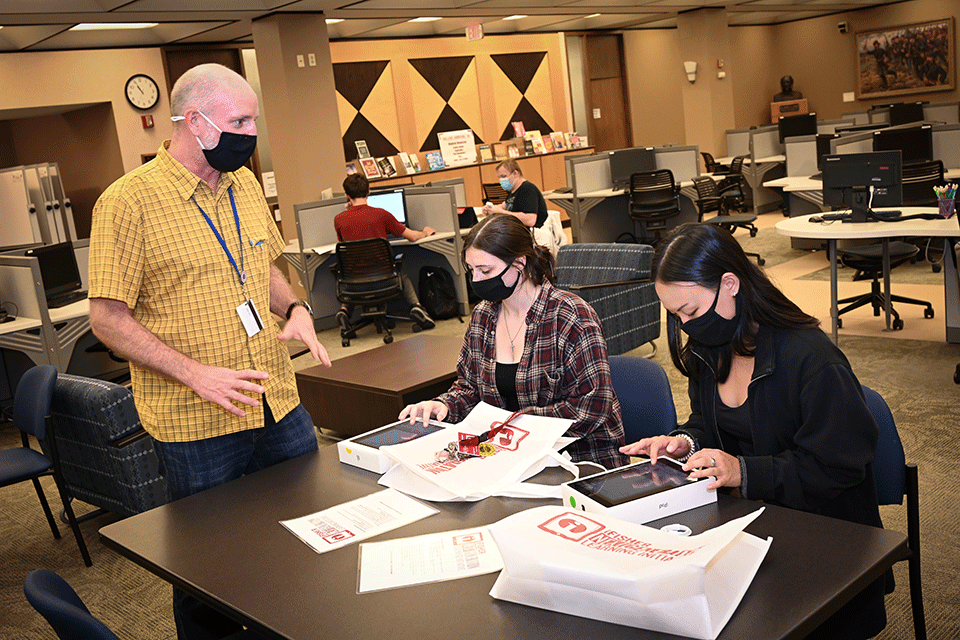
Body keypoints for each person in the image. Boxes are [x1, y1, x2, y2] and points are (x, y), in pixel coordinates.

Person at [87, 63, 331, 640]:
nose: (252, 132)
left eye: (254, 119)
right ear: (193, 122)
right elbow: (107, 319)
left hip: (276, 400)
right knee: (212, 570)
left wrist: (293, 309)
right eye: (239, 120)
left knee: (307, 533)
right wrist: (195, 375)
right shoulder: (127, 204)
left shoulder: (244, 183)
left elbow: (264, 266)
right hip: (197, 421)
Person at [621, 223, 888, 639]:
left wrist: (743, 472)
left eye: (689, 312)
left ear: (730, 284)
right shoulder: (712, 347)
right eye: (674, 315)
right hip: (747, 526)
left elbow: (837, 468)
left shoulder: (812, 359)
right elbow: (710, 424)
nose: (684, 325)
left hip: (822, 535)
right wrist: (685, 441)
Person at [400, 213, 628, 469]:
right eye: (471, 270)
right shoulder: (484, 316)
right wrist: (443, 404)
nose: (476, 280)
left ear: (520, 263)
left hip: (578, 458)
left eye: (485, 270)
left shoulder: (571, 316)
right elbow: (469, 388)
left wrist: (514, 424)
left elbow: (592, 406)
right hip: (506, 454)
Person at [334, 173, 437, 331]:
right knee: (403, 276)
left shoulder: (339, 219)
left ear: (347, 195)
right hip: (385, 280)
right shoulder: (381, 214)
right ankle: (416, 308)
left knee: (354, 275)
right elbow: (411, 237)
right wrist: (424, 232)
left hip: (354, 285)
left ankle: (344, 311)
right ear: (369, 191)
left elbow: (344, 245)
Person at [481, 159, 548, 229]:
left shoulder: (527, 189)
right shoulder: (513, 191)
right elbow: (506, 205)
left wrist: (500, 212)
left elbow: (530, 220)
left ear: (515, 173)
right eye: (499, 177)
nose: (501, 180)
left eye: (503, 176)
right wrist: (490, 209)